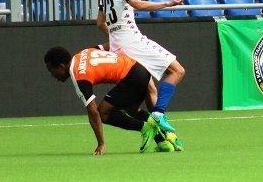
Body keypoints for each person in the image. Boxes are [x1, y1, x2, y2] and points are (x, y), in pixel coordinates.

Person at [96, 0, 185, 143]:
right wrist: (168, 3)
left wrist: (115, 37)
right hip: (132, 41)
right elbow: (139, 5)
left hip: (118, 46)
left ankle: (163, 138)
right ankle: (159, 114)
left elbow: (100, 22)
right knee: (177, 70)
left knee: (148, 89)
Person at [44, 46, 182, 155]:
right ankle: (163, 142)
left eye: (51, 70)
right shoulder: (83, 52)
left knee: (103, 113)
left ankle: (145, 128)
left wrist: (101, 143)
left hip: (132, 77)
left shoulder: (78, 75)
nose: (53, 75)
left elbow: (93, 113)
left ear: (61, 66)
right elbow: (108, 45)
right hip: (140, 69)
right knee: (132, 110)